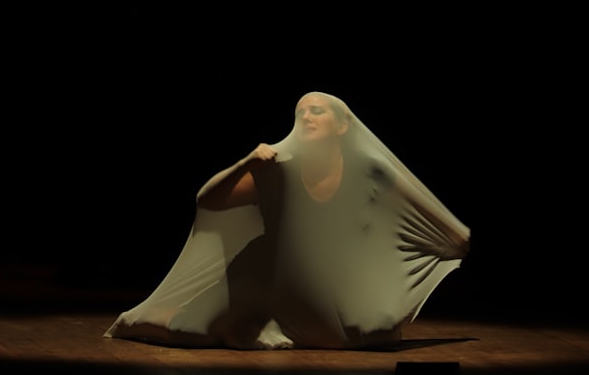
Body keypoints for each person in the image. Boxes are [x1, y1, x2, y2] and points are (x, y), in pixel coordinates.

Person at [104, 91, 471, 350]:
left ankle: (266, 325)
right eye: (300, 114)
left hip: (327, 284)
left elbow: (445, 228)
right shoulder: (278, 168)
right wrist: (246, 162)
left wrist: (424, 260)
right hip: (265, 275)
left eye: (317, 111)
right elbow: (207, 200)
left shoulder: (369, 171)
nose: (306, 117)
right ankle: (137, 321)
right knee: (189, 330)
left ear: (343, 126)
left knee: (376, 335)